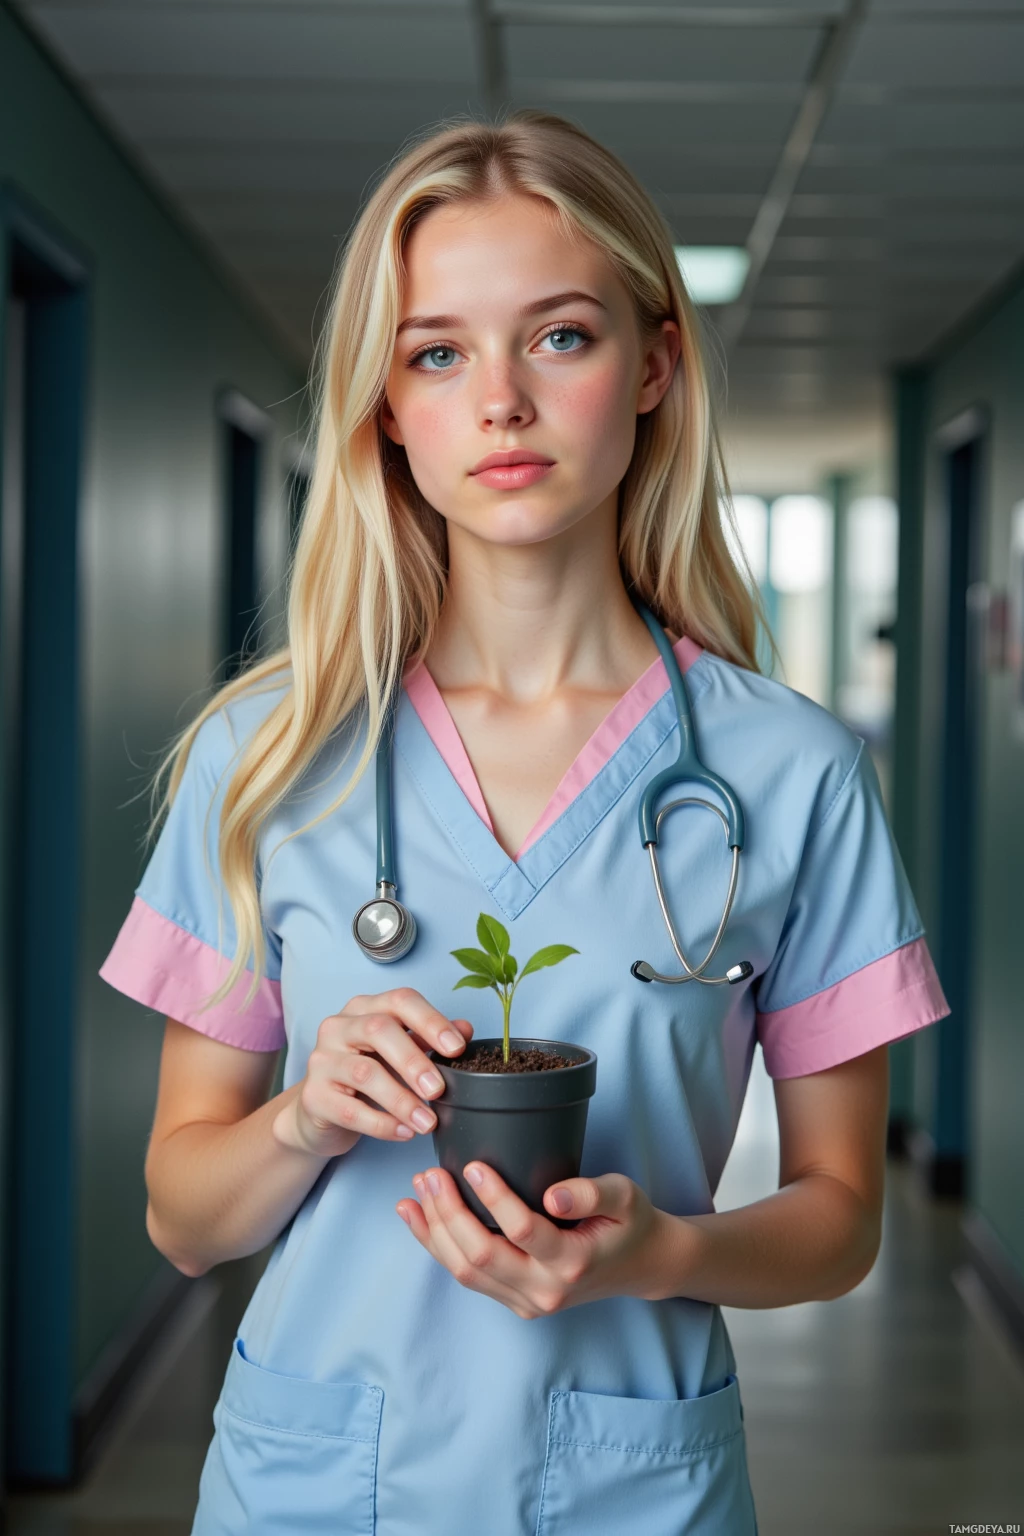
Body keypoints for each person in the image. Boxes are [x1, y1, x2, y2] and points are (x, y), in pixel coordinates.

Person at [99, 111, 949, 1536]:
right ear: (387, 405)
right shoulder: (267, 757)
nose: (500, 401)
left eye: (558, 336)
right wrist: (304, 1118)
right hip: (313, 1485)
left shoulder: (791, 772)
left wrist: (654, 1253)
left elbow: (842, 1219)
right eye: (438, 352)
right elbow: (183, 1217)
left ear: (655, 366)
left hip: (634, 1491)